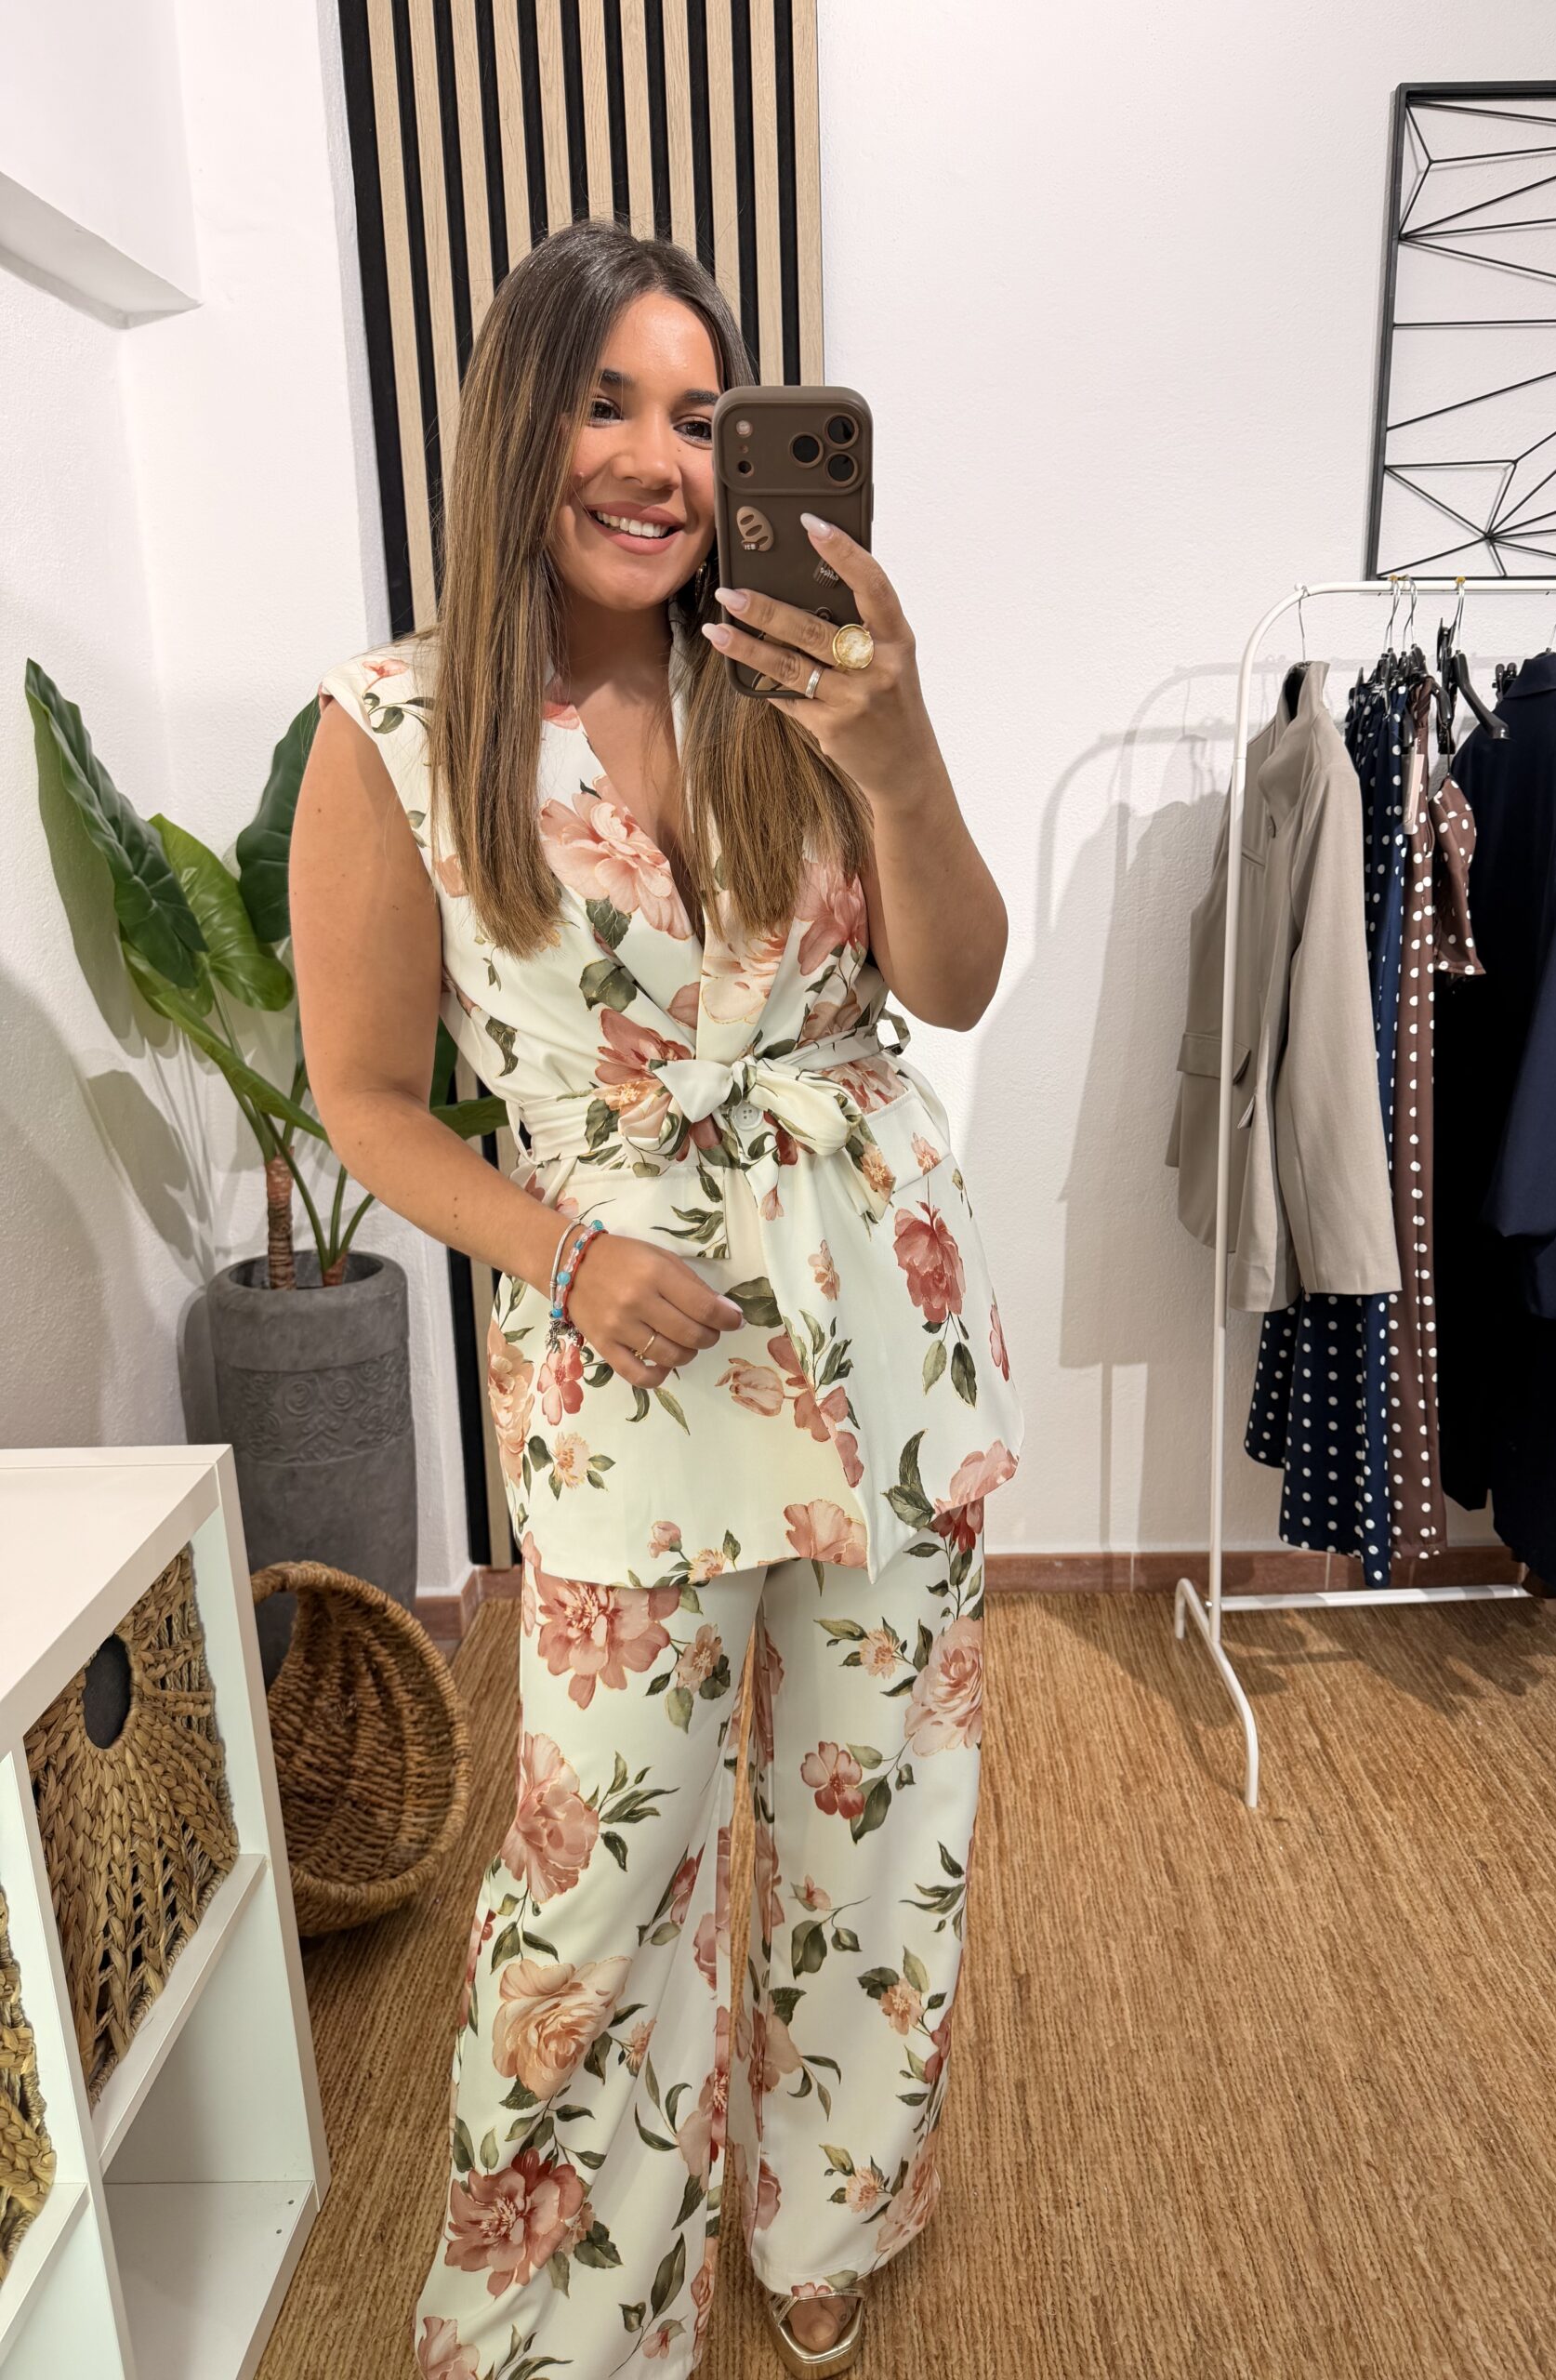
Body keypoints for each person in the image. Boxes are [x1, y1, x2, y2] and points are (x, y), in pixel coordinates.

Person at [289, 215, 1022, 2380]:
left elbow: (955, 977)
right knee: (600, 1863)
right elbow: (362, 1094)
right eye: (605, 402)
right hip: (630, 1349)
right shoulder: (393, 730)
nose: (656, 458)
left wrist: (898, 745)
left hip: (882, 1319)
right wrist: (569, 1252)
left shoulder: (803, 671)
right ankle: (560, 2311)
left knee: (878, 1811)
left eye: (701, 416)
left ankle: (825, 2207)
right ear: (520, 423)